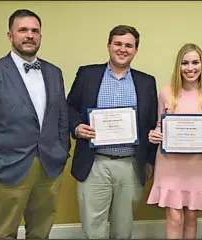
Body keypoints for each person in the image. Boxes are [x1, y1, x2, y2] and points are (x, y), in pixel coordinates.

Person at [0, 9, 70, 239]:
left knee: (40, 232)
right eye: (23, 30)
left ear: (40, 36)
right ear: (10, 36)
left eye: (35, 31)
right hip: (5, 169)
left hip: (49, 167)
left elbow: (61, 117)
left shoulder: (54, 72)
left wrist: (62, 151)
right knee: (0, 234)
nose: (30, 35)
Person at [67, 25, 158, 239]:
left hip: (130, 165)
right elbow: (69, 108)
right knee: (93, 226)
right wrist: (77, 127)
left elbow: (151, 123)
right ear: (108, 46)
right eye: (117, 43)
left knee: (123, 228)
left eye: (129, 45)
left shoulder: (146, 82)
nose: (122, 49)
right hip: (94, 163)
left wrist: (150, 161)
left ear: (136, 50)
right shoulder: (87, 73)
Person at [147, 43, 202, 239]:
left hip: (197, 165)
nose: (190, 68)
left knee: (192, 217)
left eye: (195, 62)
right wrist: (154, 134)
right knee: (174, 217)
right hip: (170, 164)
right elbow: (159, 125)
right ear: (178, 66)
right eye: (185, 63)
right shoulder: (166, 92)